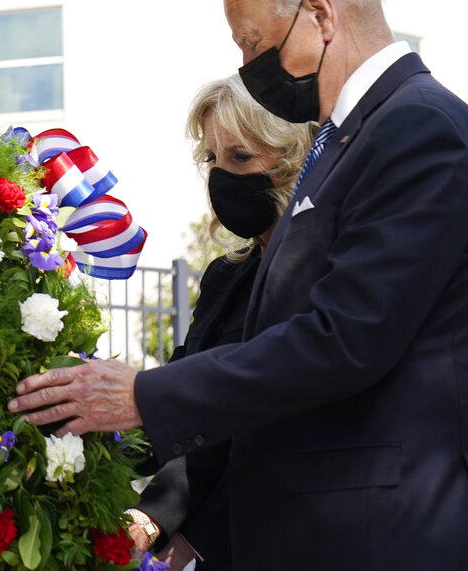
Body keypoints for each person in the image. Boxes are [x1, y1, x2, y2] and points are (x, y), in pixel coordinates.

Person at [9, 0, 468, 571]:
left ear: (320, 13)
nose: (248, 69)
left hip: (385, 541)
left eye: (252, 42)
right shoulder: (349, 140)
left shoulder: (419, 126)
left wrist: (145, 396)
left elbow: (345, 340)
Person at [127, 76, 315, 571]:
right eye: (212, 159)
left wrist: (192, 534)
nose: (221, 175)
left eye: (240, 156)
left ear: (292, 159)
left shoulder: (318, 276)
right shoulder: (224, 278)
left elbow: (273, 429)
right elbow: (189, 409)